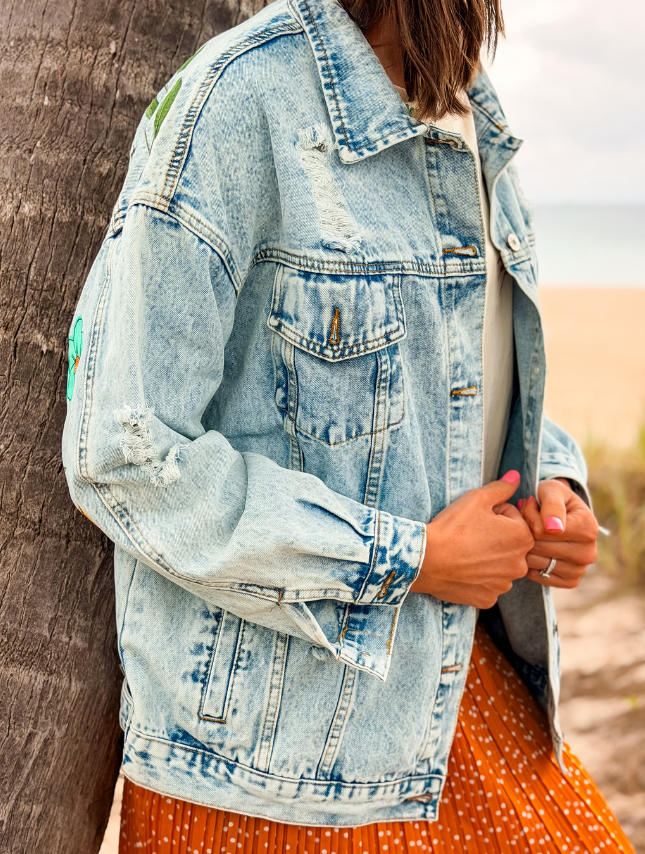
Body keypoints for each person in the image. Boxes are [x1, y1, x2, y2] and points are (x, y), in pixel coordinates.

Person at [61, 0, 635, 851]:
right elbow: (124, 451)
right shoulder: (238, 97)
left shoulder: (468, 103)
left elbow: (455, 380)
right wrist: (410, 559)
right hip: (272, 765)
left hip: (449, 687)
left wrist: (548, 481)